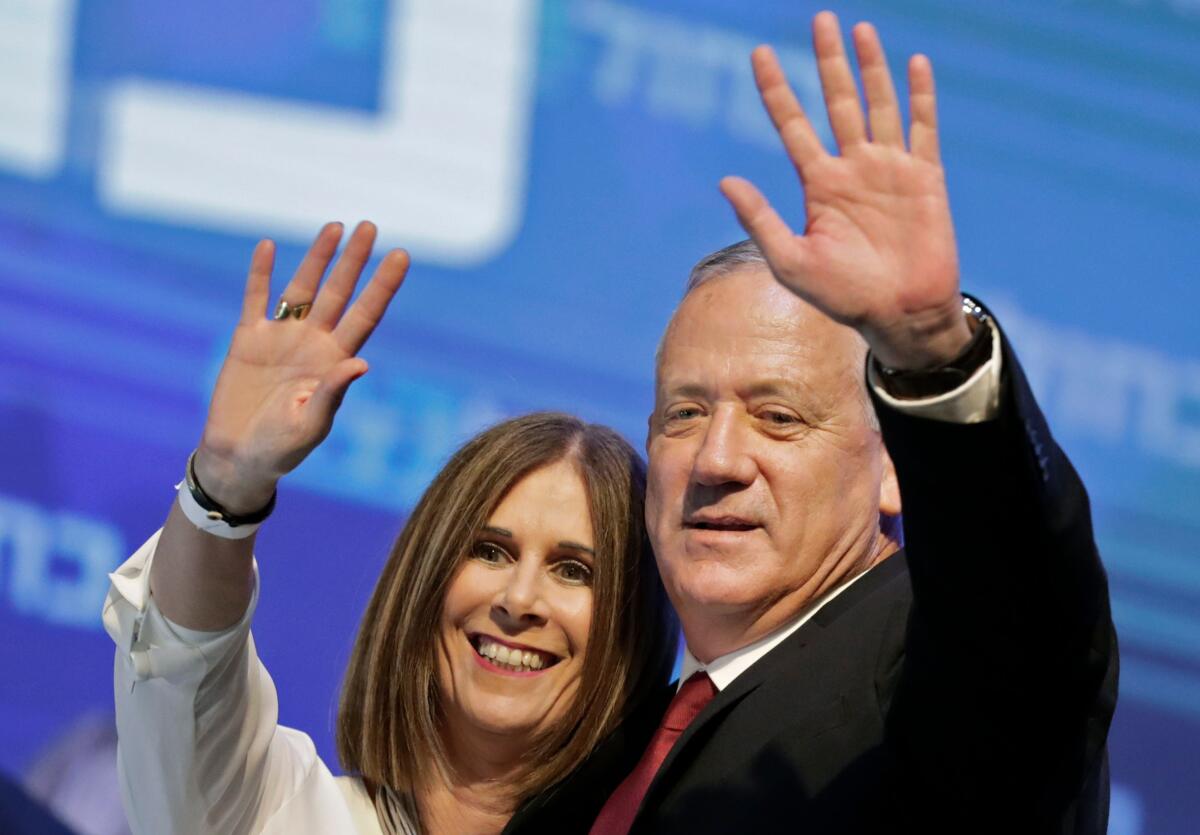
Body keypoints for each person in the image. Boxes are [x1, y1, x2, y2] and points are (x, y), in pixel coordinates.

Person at [505, 11, 1117, 834]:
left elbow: (1020, 611)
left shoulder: (928, 665)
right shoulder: (597, 751)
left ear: (893, 463)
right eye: (686, 413)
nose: (717, 457)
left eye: (779, 417)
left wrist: (929, 350)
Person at [102, 222, 677, 834]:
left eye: (573, 570)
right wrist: (225, 485)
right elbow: (183, 668)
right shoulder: (273, 813)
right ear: (424, 585)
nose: (519, 600)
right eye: (489, 551)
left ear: (632, 627)